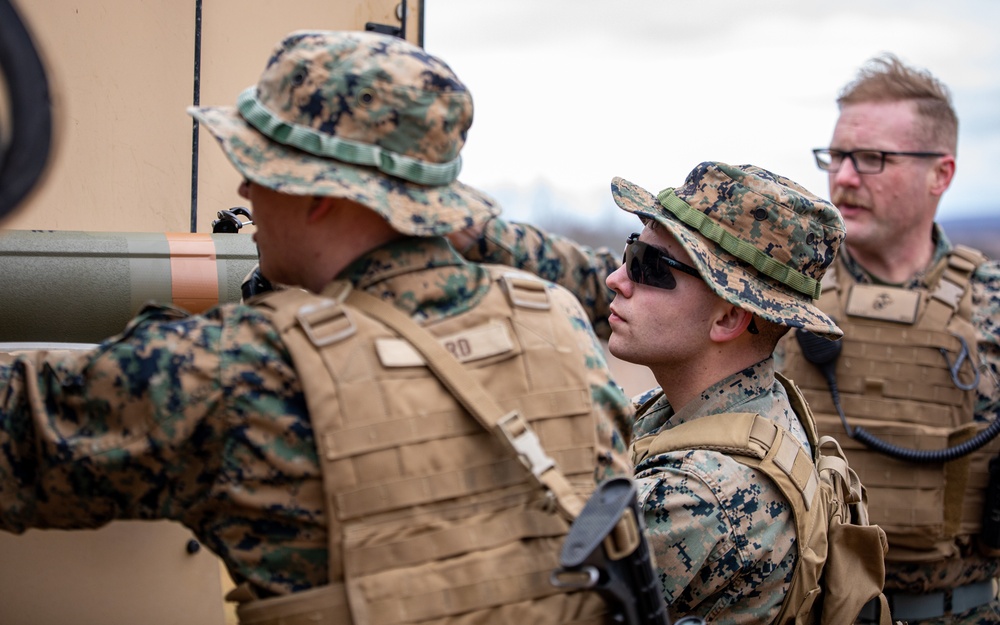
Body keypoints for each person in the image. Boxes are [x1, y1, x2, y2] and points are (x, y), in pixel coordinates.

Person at [0, 30, 632, 624]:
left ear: (320, 194)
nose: (245, 187)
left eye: (259, 166)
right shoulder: (560, 325)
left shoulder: (237, 372)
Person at [452, 53, 1000, 624]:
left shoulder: (701, 493)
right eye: (836, 156)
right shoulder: (714, 380)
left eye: (873, 159)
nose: (845, 176)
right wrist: (470, 233)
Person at [574, 160, 852, 622]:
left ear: (727, 318)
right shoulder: (745, 406)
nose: (616, 280)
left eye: (647, 267)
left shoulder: (697, 496)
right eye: (630, 252)